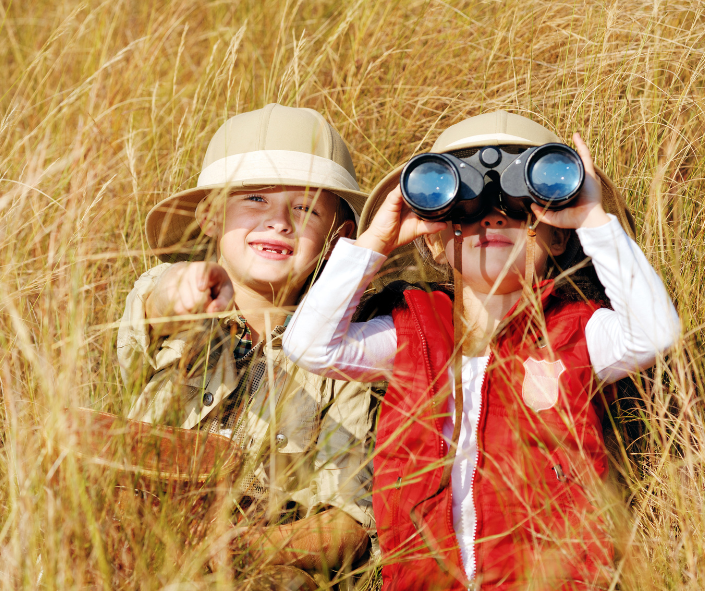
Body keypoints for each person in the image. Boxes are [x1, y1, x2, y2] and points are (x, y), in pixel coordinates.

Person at [282, 111, 680, 589]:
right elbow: (310, 346)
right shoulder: (412, 332)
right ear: (431, 242)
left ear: (556, 236)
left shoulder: (576, 333)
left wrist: (594, 219)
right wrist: (377, 240)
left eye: (520, 205)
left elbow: (656, 332)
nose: (493, 215)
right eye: (464, 204)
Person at [117, 104, 378, 588]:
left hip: (254, 557)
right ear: (212, 217)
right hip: (135, 530)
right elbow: (157, 307)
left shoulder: (348, 356)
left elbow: (349, 522)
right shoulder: (178, 297)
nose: (279, 222)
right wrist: (189, 286)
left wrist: (232, 547)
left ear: (336, 238)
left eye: (305, 208)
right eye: (255, 199)